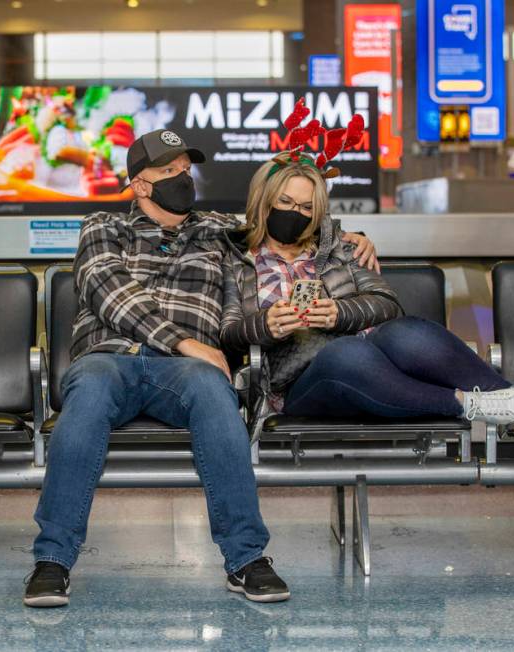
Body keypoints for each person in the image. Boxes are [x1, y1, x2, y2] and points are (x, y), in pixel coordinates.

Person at [23, 129, 380, 609]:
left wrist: (351, 238)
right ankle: (53, 562)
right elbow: (112, 295)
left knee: (218, 397)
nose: (181, 179)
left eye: (185, 170)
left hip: (185, 374)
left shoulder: (218, 229)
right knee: (84, 402)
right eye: (167, 171)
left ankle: (246, 559)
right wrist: (189, 343)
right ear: (140, 185)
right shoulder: (103, 226)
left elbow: (286, 223)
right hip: (110, 359)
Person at [220, 149, 514, 425]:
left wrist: (339, 313)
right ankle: (467, 403)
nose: (295, 212)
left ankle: (513, 396)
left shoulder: (341, 247)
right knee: (348, 354)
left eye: (306, 207)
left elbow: (386, 303)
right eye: (285, 202)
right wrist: (267, 324)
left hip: (371, 356)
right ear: (264, 201)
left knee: (406, 331)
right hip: (296, 383)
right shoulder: (236, 258)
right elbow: (230, 331)